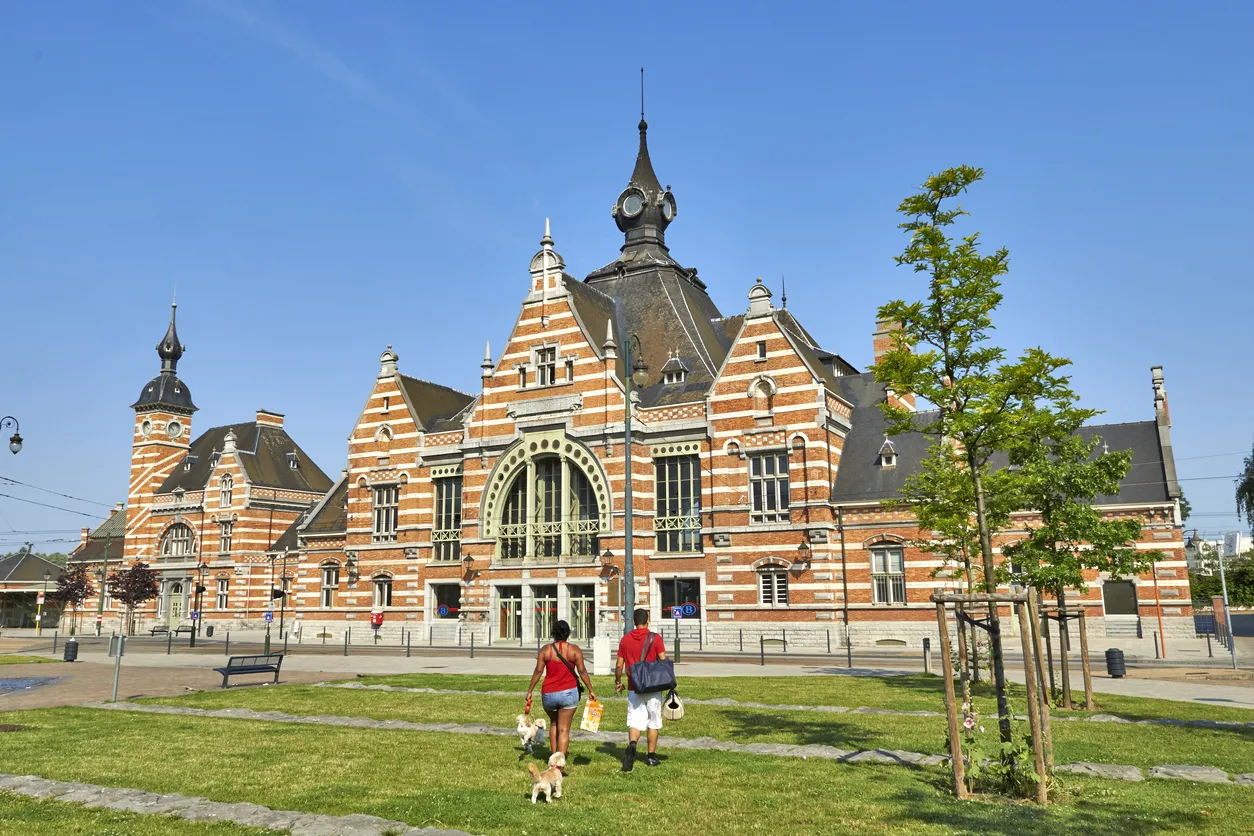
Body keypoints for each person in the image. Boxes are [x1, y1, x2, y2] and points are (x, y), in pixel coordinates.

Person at [525, 620, 596, 769]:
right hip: (569, 693)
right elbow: (582, 671)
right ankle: (559, 766)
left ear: (553, 633)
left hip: (549, 693)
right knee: (564, 729)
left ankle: (553, 760)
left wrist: (530, 691)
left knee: (554, 724)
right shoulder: (574, 650)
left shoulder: (546, 650)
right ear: (568, 633)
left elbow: (538, 671)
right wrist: (590, 689)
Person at [616, 608, 668, 772]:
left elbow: (619, 665)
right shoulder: (656, 638)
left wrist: (618, 681)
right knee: (653, 720)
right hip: (653, 686)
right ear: (648, 621)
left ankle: (632, 745)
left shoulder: (625, 640)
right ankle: (651, 757)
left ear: (633, 622)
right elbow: (663, 660)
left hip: (634, 685)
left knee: (634, 721)